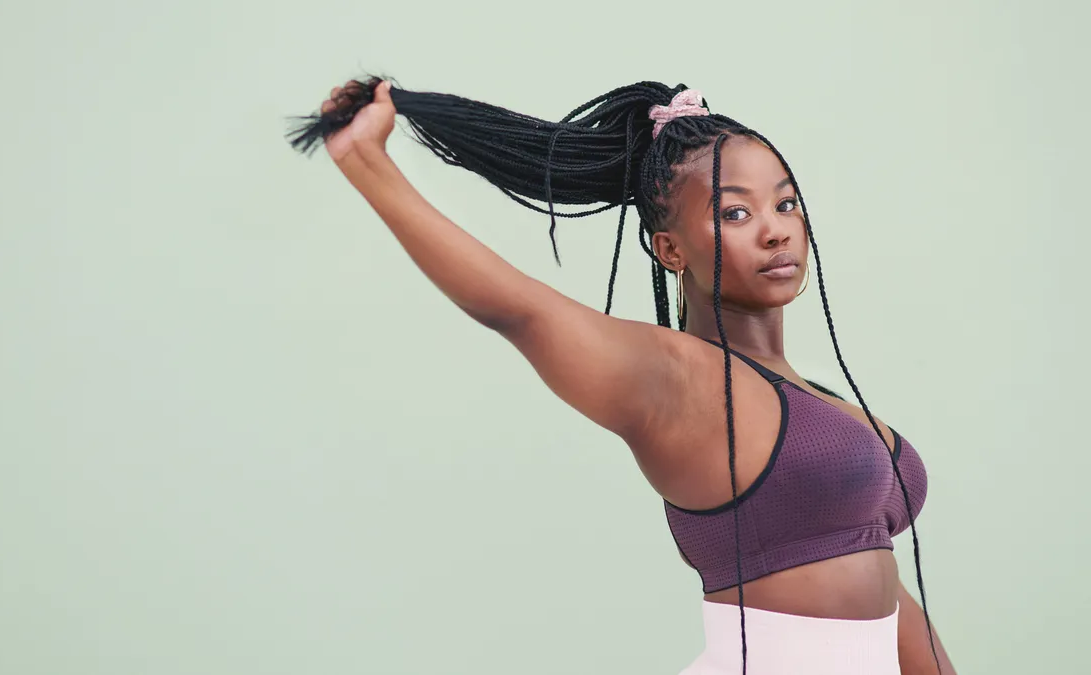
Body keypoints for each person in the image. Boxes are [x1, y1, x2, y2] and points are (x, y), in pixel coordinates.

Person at [289, 78, 957, 675]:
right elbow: (518, 308)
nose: (776, 231)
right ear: (670, 248)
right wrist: (366, 161)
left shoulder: (814, 396)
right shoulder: (678, 381)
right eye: (735, 212)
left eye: (785, 203)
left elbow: (878, 581)